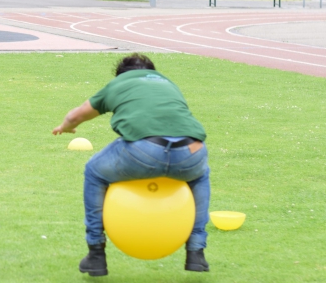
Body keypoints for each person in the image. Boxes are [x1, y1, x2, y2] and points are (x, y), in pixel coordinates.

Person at [52, 53, 210, 277]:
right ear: (151, 70)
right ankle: (196, 251)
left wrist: (66, 127)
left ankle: (96, 253)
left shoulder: (119, 83)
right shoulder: (167, 83)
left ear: (121, 75)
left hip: (144, 151)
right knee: (200, 176)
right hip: (192, 151)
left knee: (94, 171)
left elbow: (77, 115)